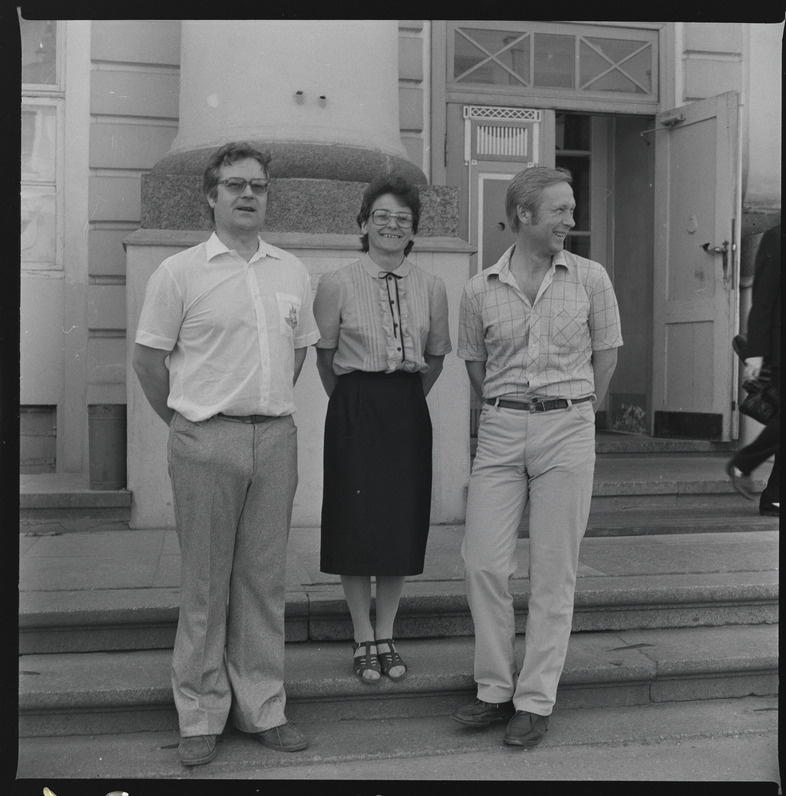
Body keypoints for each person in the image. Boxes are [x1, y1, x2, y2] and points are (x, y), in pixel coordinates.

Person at [132, 142, 319, 767]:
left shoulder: (292, 270)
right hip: (205, 438)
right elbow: (149, 362)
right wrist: (190, 420)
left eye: (259, 186)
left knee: (264, 581)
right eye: (235, 185)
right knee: (206, 585)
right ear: (210, 196)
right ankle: (200, 712)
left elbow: (297, 353)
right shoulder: (179, 273)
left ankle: (262, 707)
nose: (248, 195)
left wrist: (260, 409)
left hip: (275, 439)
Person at [451, 165, 622, 747]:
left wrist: (578, 411)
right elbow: (475, 366)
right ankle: (494, 688)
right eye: (560, 211)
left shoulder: (591, 278)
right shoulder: (479, 289)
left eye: (572, 209)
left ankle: (534, 699)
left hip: (567, 427)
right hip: (500, 429)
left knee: (554, 569)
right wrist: (507, 411)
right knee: (483, 562)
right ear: (524, 215)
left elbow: (607, 354)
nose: (571, 221)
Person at [313, 173, 451, 684]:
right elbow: (326, 357)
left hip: (406, 410)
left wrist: (403, 400)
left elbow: (436, 356)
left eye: (403, 219)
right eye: (383, 216)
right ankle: (360, 636)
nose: (392, 226)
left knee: (397, 523)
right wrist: (355, 403)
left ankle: (387, 633)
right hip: (354, 407)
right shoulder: (336, 283)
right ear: (364, 223)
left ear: (413, 230)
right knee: (356, 522)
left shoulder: (432, 285)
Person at [726, 223, 780, 516]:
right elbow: (762, 300)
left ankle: (775, 496)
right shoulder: (778, 235)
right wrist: (756, 354)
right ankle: (742, 464)